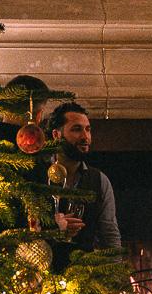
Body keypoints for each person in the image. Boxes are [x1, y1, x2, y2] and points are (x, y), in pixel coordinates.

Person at [45, 101, 121, 251]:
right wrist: (56, 229)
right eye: (76, 129)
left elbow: (109, 234)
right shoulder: (38, 174)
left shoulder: (99, 180)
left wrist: (115, 271)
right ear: (56, 135)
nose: (85, 137)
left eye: (88, 129)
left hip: (83, 271)